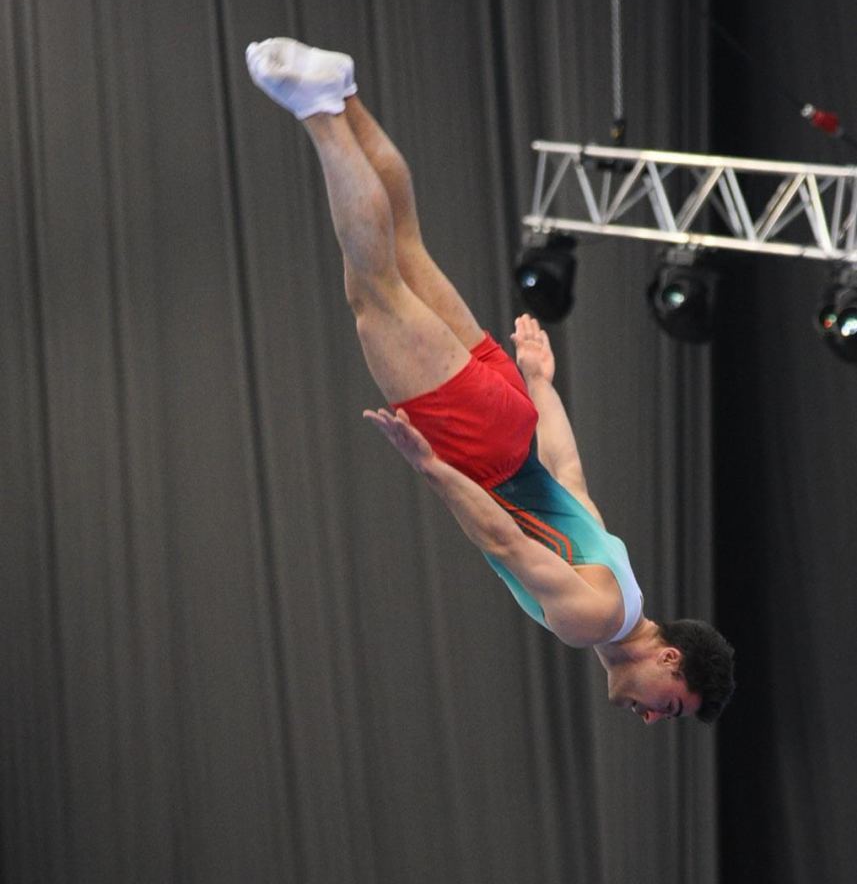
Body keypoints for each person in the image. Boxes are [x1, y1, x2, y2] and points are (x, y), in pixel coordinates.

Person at [245, 37, 735, 725]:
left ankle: (346, 95)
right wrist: (430, 467)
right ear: (668, 661)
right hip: (479, 448)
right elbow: (501, 539)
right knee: (373, 289)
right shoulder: (591, 620)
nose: (652, 718)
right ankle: (318, 111)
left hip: (511, 416)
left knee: (408, 245)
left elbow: (567, 473)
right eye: (671, 708)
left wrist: (538, 380)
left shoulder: (621, 583)